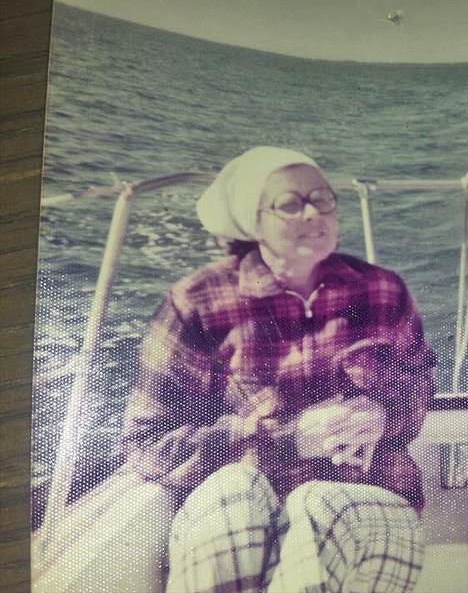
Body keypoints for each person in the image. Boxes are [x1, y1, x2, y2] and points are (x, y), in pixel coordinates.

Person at [122, 146, 436, 592]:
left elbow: (418, 391)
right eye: (290, 204)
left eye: (322, 198)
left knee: (318, 507)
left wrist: (383, 419)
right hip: (243, 498)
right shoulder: (199, 301)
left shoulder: (383, 290)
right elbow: (149, 444)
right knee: (234, 496)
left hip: (369, 497)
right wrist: (293, 440)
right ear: (254, 221)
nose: (312, 213)